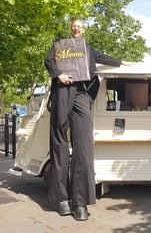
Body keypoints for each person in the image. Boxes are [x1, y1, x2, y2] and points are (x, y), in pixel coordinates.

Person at [44, 19, 130, 221]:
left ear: (84, 30)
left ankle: (80, 202)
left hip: (82, 94)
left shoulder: (88, 49)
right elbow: (49, 61)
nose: (76, 28)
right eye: (74, 25)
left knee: (83, 147)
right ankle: (62, 199)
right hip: (63, 91)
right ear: (71, 28)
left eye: (80, 26)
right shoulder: (59, 46)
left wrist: (122, 62)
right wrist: (58, 75)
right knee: (59, 144)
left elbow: (104, 57)